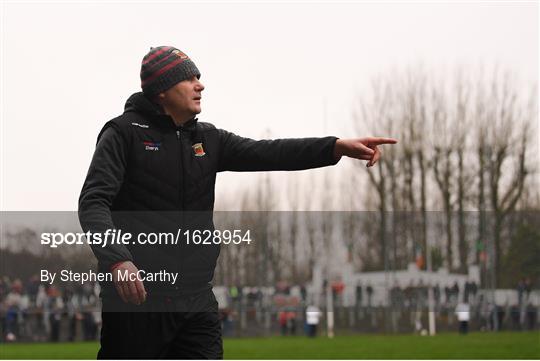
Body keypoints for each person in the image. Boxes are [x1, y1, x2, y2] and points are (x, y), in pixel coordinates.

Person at [78, 46, 397, 359]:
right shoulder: (122, 133)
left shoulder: (207, 139)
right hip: (139, 303)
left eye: (198, 78)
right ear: (161, 90)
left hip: (196, 301)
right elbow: (93, 202)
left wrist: (335, 147)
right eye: (188, 79)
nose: (200, 85)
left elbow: (270, 151)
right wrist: (117, 260)